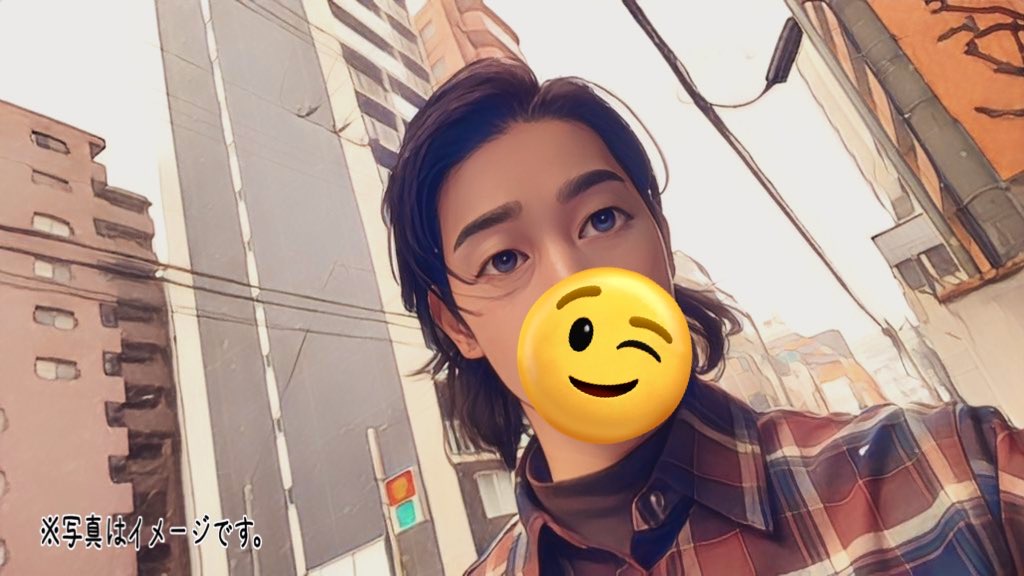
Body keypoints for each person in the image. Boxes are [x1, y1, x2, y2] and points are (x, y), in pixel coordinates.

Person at [382, 58, 1024, 576]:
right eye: (503, 259)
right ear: (457, 325)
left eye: (601, 219)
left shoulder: (955, 473)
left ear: (661, 239)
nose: (573, 280)